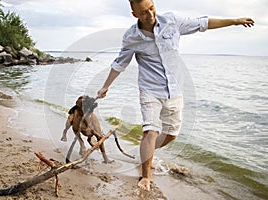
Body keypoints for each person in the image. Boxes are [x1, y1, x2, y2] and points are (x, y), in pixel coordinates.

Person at [97, 0, 254, 191]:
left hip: (175, 90)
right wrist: (105, 87)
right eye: (144, 12)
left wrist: (235, 21)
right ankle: (146, 176)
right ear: (135, 14)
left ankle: (145, 152)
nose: (151, 15)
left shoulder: (171, 20)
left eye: (152, 8)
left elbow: (203, 23)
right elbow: (119, 63)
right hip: (150, 90)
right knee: (151, 132)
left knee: (171, 135)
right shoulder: (131, 37)